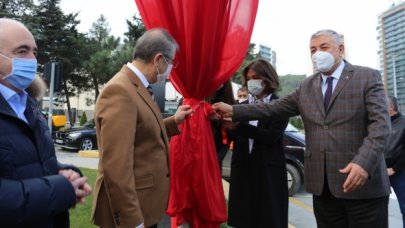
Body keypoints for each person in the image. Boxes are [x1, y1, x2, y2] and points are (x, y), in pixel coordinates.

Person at [213, 29, 391, 228]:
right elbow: (272, 108)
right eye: (312, 49)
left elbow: (381, 125)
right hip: (323, 189)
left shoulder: (367, 77)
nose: (317, 54)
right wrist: (233, 110)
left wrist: (364, 163)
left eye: (324, 47)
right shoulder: (307, 86)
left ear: (340, 49)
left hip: (362, 186)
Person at [91, 28, 193, 228]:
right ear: (158, 59)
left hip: (144, 205)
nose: (172, 67)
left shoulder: (136, 85)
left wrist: (174, 121)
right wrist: (132, 222)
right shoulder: (120, 90)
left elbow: (138, 131)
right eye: (171, 62)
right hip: (132, 213)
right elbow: (116, 167)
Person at [0, 18, 92, 227]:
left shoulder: (28, 104)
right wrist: (60, 189)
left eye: (35, 52)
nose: (33, 60)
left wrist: (66, 173)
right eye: (22, 51)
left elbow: (30, 161)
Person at [224, 59, 289, 227]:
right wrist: (226, 127)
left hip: (268, 170)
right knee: (243, 219)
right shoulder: (240, 106)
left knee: (268, 218)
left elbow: (271, 137)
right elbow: (230, 138)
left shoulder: (280, 106)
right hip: (243, 169)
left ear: (268, 78)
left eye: (257, 77)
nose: (252, 81)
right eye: (249, 77)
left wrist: (238, 127)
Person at [385, 96, 405, 227]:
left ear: (391, 107)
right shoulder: (379, 123)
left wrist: (394, 169)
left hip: (399, 173)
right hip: (380, 173)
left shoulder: (403, 123)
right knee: (377, 209)